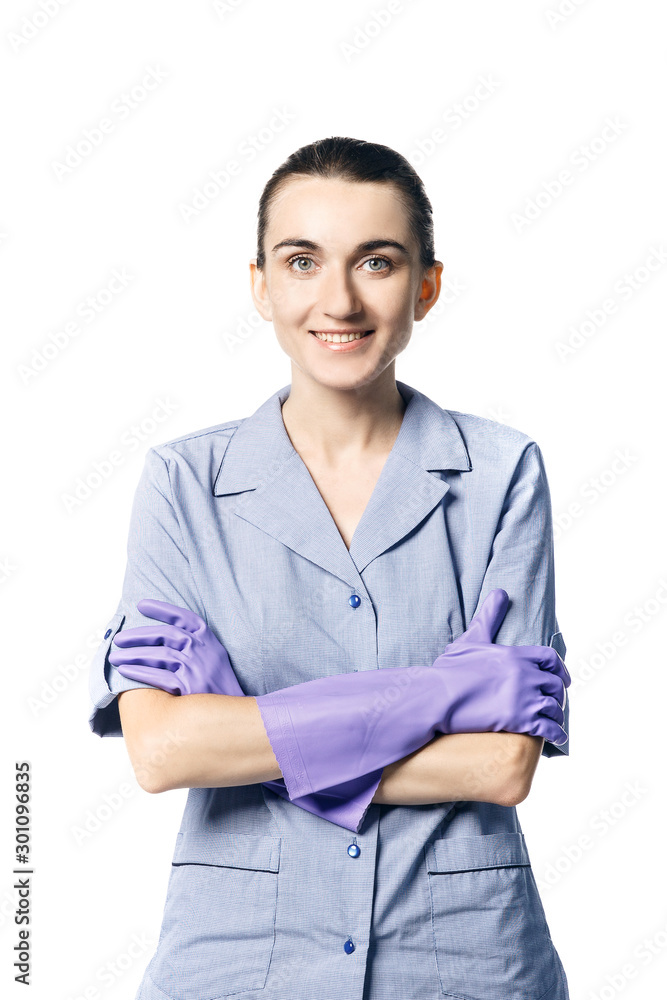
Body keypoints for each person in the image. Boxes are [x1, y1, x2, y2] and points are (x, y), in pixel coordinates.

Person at [88, 136, 571, 1000]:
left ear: (425, 284)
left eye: (376, 262)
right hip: (238, 964)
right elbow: (161, 752)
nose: (337, 299)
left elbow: (497, 767)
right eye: (301, 260)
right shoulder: (182, 483)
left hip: (461, 964)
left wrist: (241, 730)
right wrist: (441, 698)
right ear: (260, 285)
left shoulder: (502, 474)